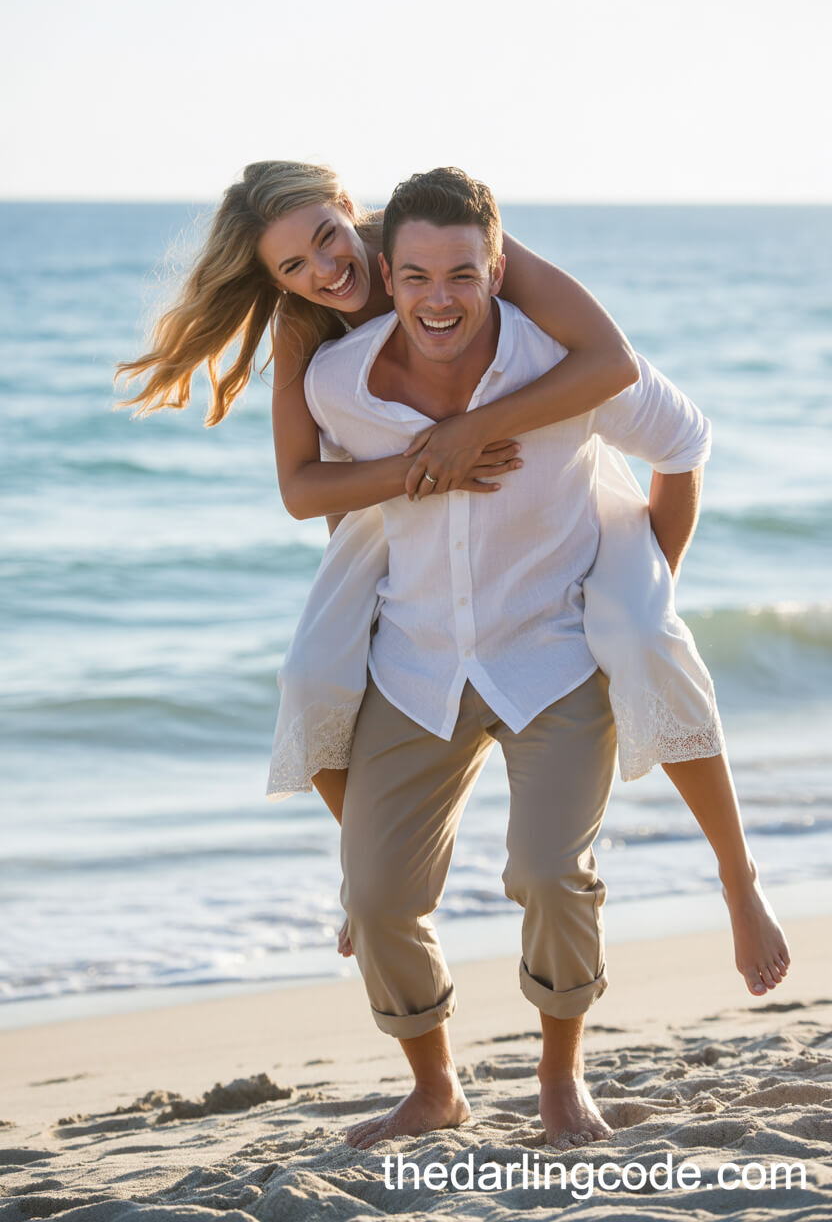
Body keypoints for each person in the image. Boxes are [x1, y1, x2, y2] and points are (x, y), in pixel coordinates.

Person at [117, 161, 788, 1008]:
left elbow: (611, 362)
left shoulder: (438, 242)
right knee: (312, 676)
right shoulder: (304, 330)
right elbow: (305, 485)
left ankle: (737, 872)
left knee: (643, 634)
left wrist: (470, 435)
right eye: (292, 266)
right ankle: (373, 871)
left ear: (346, 208)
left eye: (327, 237)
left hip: (546, 482)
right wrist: (419, 472)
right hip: (395, 498)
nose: (325, 271)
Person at [299, 165, 771, 1149]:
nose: (440, 298)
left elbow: (684, 442)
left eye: (462, 274)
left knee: (551, 874)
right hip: (418, 665)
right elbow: (331, 508)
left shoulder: (561, 367)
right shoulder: (337, 385)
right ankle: (434, 1088)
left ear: (496, 268)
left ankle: (562, 1082)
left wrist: (652, 578)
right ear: (386, 276)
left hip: (553, 663)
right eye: (418, 275)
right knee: (380, 897)